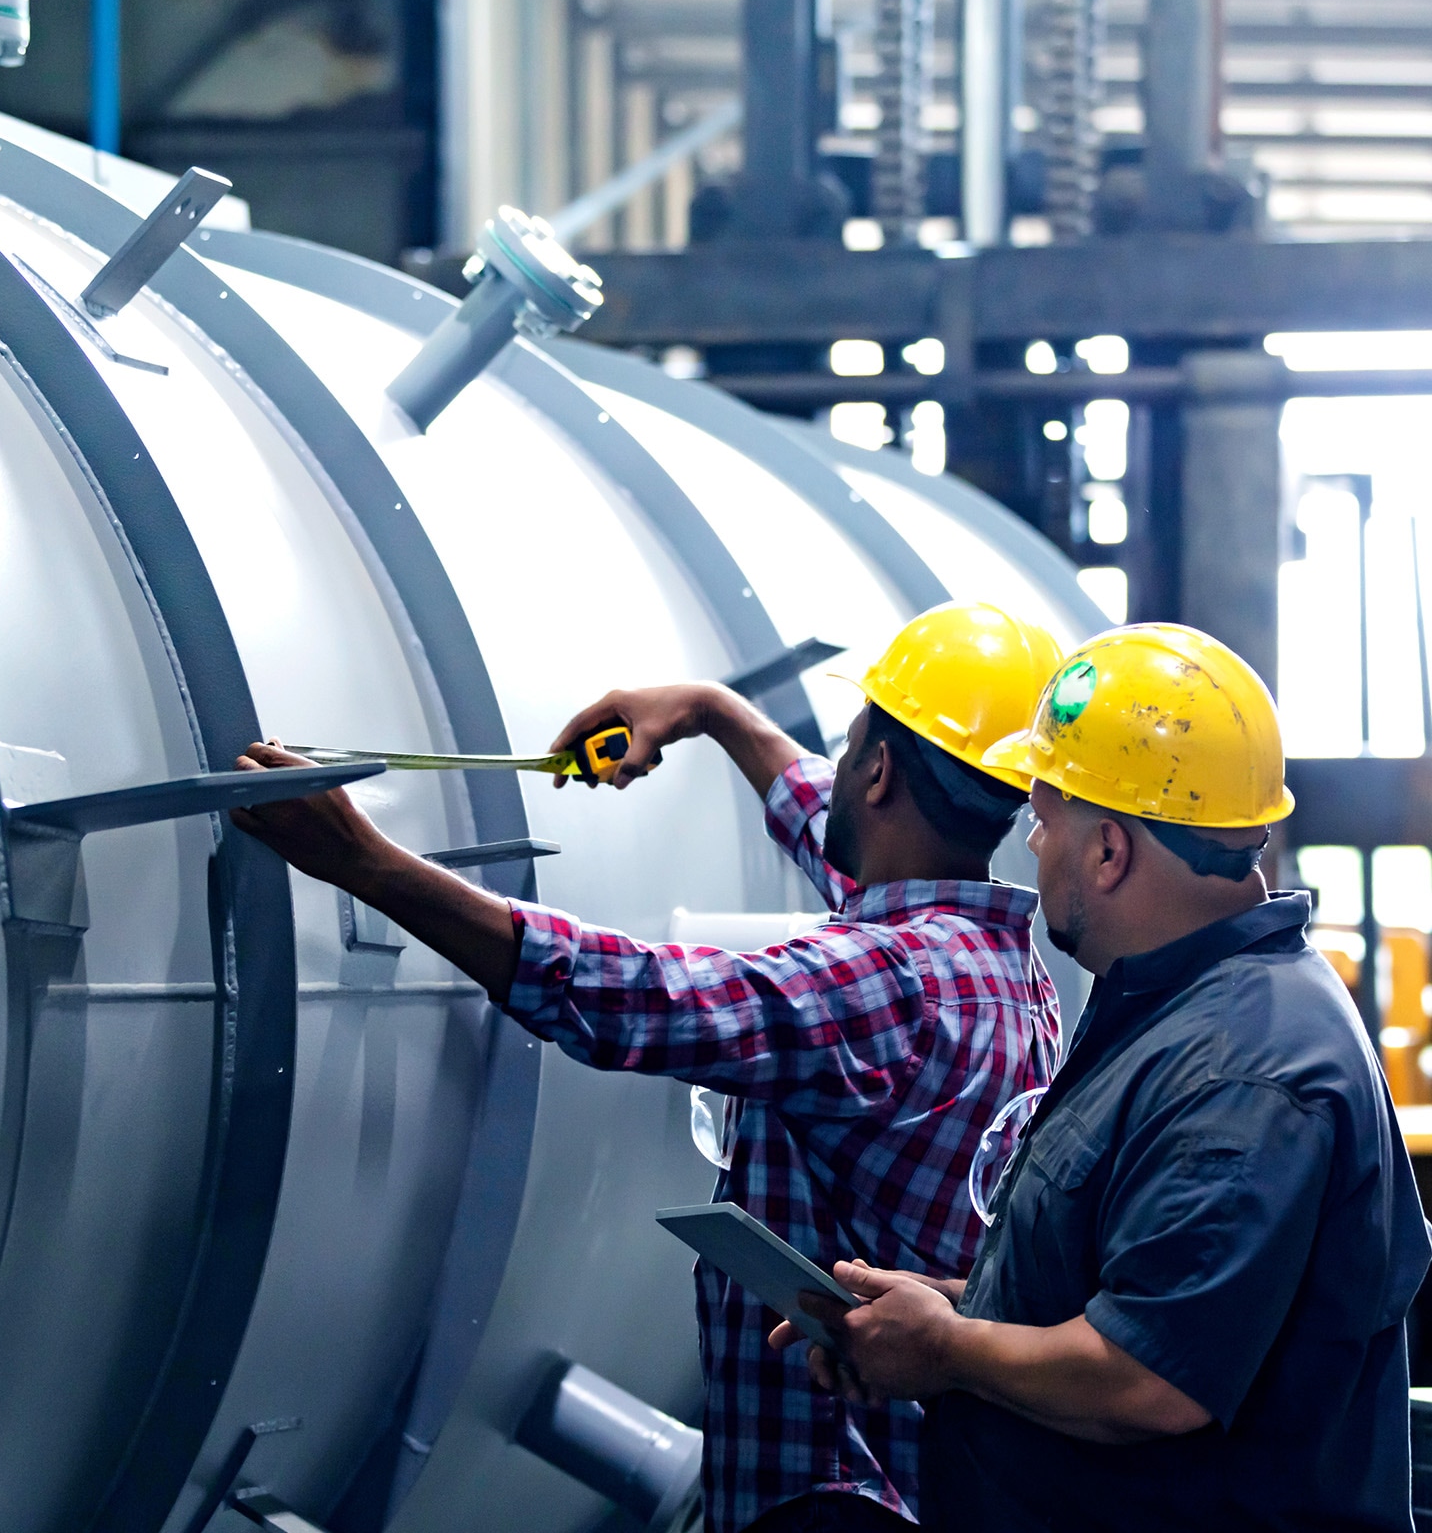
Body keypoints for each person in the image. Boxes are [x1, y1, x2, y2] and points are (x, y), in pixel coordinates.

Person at [227, 601, 1065, 1533]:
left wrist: (368, 864)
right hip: (929, 1478)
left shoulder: (884, 983)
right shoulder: (987, 961)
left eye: (857, 738)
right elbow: (842, 857)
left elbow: (634, 995)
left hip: (840, 1491)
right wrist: (711, 710)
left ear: (873, 772)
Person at [777, 623, 1432, 1533]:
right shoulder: (1174, 1010)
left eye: (1044, 823)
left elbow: (1151, 1379)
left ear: (1110, 851)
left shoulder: (1243, 1073)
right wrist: (951, 1304)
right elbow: (1120, 1283)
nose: (1032, 848)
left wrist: (951, 1351)